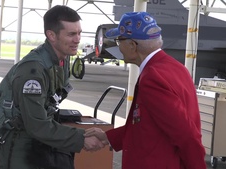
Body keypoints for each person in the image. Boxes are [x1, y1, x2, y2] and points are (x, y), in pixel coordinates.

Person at [84, 12, 207, 169]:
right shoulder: (176, 68)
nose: (118, 46)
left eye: (119, 40)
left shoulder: (152, 78)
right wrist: (107, 137)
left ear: (132, 45)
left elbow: (185, 134)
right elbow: (146, 126)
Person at [0, 5, 103, 169]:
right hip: (22, 146)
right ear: (51, 35)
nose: (78, 39)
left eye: (79, 33)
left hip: (42, 140)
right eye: (71, 34)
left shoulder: (62, 59)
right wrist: (81, 138)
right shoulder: (33, 71)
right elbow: (36, 125)